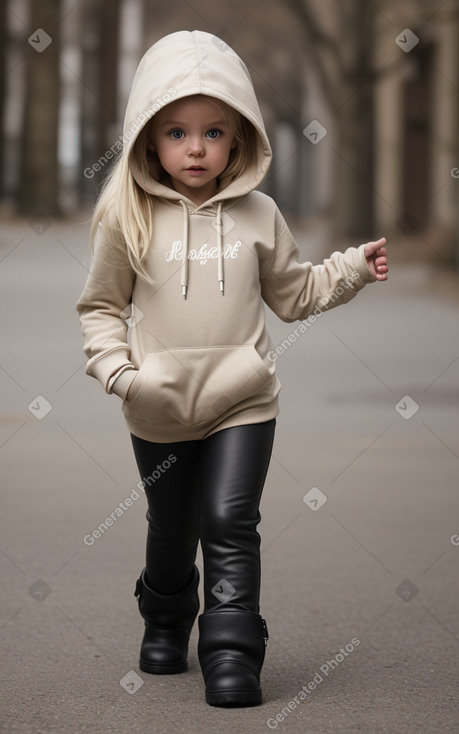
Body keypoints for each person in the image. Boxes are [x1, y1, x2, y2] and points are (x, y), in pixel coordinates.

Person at [76, 30, 388, 708]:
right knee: (172, 526)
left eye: (213, 131)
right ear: (148, 140)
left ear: (238, 138)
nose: (195, 148)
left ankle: (230, 652)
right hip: (155, 405)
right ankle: (164, 621)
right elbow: (100, 309)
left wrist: (351, 269)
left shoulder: (259, 216)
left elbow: (294, 293)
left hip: (242, 402)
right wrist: (123, 376)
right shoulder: (126, 219)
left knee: (228, 519)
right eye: (177, 132)